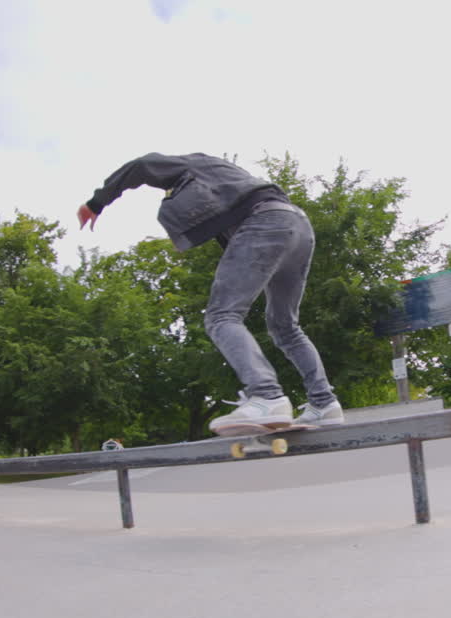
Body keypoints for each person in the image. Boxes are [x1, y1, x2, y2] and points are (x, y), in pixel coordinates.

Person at [77, 152, 344, 433]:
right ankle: (324, 404)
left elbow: (141, 165)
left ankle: (266, 396)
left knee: (221, 315)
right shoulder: (230, 180)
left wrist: (96, 203)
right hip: (297, 225)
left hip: (264, 221)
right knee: (284, 325)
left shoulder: (192, 164)